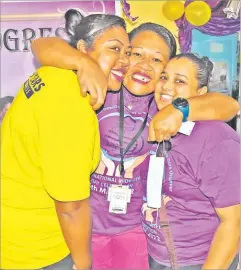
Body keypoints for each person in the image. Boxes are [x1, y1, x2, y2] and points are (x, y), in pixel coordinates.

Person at [31, 23, 240, 269]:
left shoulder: (161, 102)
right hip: (83, 223)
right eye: (136, 54)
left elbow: (229, 106)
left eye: (156, 59)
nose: (144, 65)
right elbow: (41, 45)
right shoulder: (103, 85)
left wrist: (181, 109)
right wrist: (83, 63)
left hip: (136, 230)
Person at [1, 10, 131, 270]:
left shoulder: (54, 74)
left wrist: (84, 64)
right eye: (114, 48)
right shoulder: (71, 105)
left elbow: (42, 45)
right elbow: (70, 206)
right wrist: (83, 263)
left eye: (128, 52)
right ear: (83, 49)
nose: (124, 60)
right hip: (38, 249)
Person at [143, 53, 240, 270]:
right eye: (164, 78)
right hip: (157, 254)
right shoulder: (154, 119)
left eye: (180, 81)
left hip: (197, 261)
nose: (167, 86)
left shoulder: (215, 139)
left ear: (201, 94)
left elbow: (233, 223)